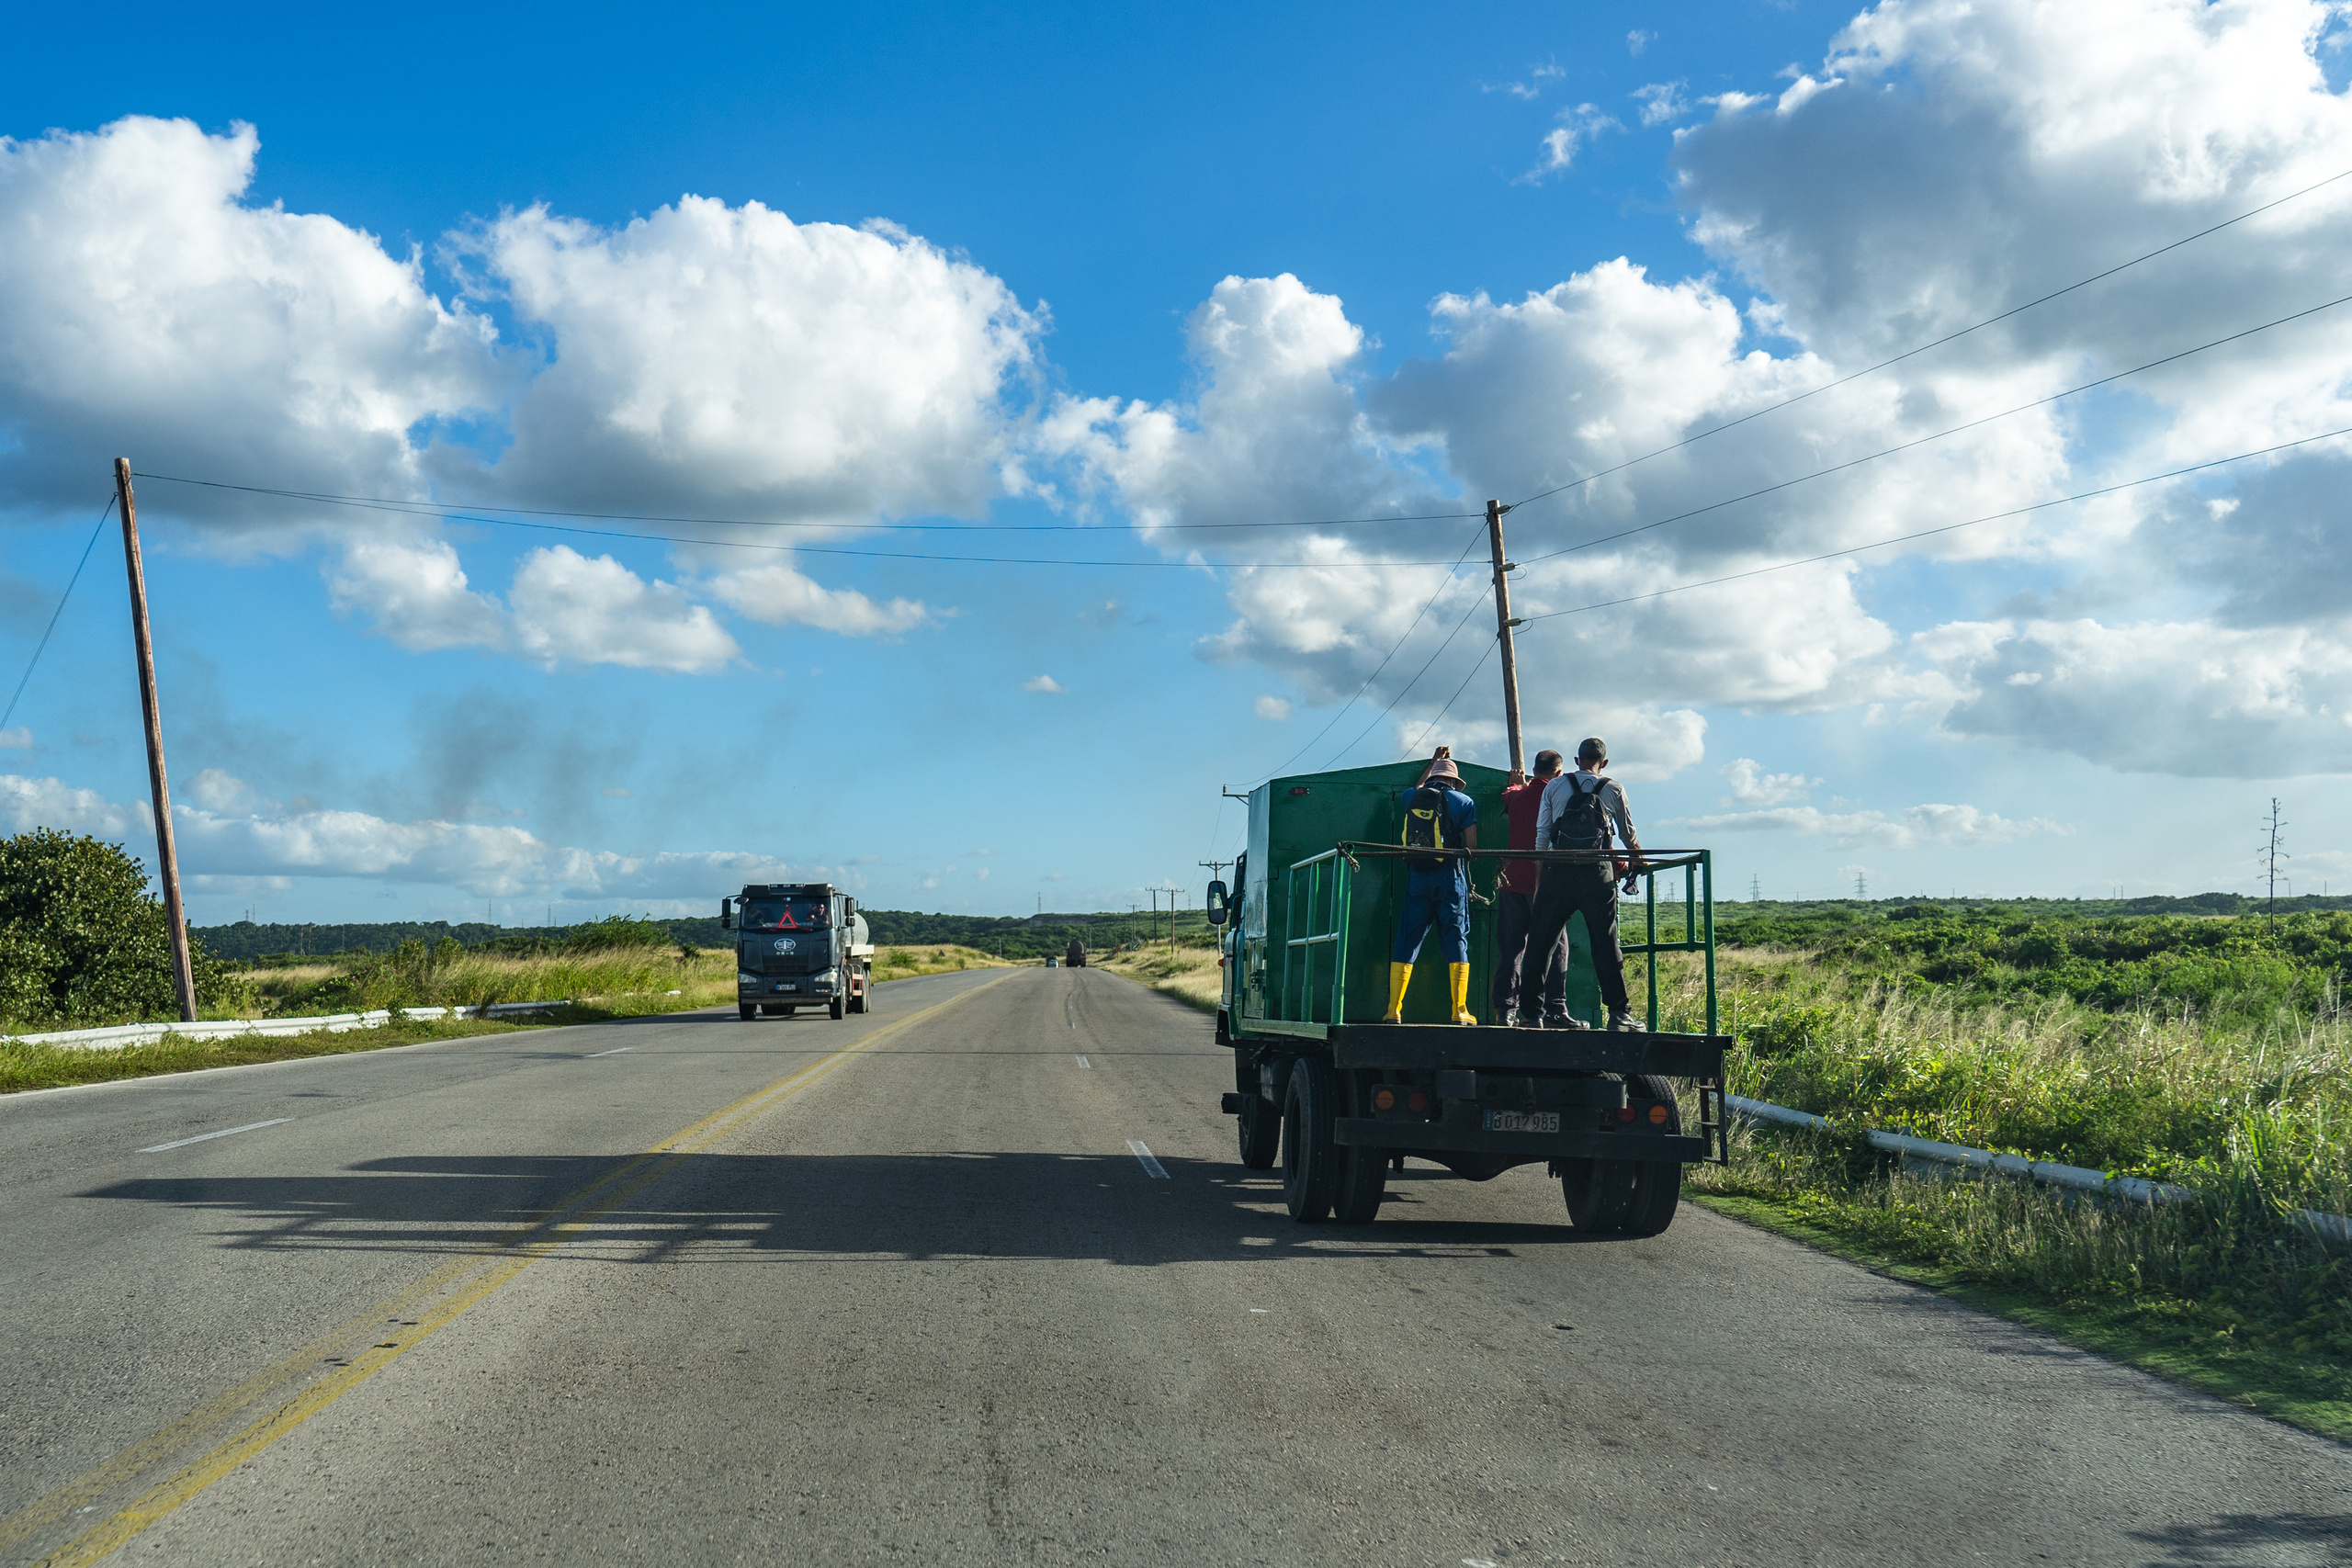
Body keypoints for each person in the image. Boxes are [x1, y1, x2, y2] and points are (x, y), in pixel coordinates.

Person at [1520, 737, 1644, 1032]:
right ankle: (1618, 1015)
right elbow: (1627, 835)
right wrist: (1639, 859)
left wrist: (1541, 877)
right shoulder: (1614, 788)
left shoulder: (1554, 786)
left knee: (1540, 944)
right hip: (1596, 874)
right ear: (1605, 762)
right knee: (1605, 943)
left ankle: (1532, 1016)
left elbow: (1543, 834)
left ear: (1577, 761)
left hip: (1558, 871)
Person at [1385, 746, 1479, 1025]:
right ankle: (1459, 1011)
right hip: (1450, 878)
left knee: (1407, 939)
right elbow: (1471, 846)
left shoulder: (1412, 797)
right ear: (1453, 781)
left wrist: (1434, 761)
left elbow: (1417, 787)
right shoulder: (1464, 802)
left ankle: (1393, 1010)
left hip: (1417, 878)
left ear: (1433, 778)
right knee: (1456, 938)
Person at [1490, 749, 1571, 1027]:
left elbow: (1509, 795)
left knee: (1512, 949)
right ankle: (1554, 1009)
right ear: (1559, 773)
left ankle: (1506, 1010)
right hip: (1547, 883)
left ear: (1534, 771)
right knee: (1556, 947)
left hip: (1513, 881)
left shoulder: (1516, 797)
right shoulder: (1562, 798)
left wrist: (1517, 784)